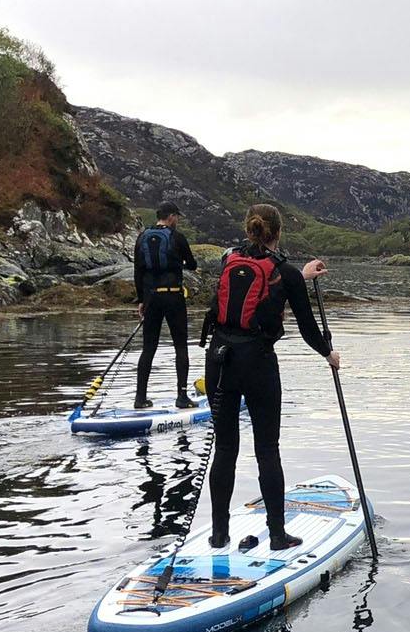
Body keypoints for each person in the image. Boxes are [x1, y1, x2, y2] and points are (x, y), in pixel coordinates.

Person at [198, 203, 341, 551]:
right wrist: (328, 354)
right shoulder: (286, 272)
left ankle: (219, 534)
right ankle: (277, 535)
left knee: (225, 449)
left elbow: (259, 282)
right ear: (279, 232)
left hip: (219, 359)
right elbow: (307, 328)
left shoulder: (229, 259)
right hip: (257, 363)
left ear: (249, 228)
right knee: (267, 450)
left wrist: (300, 275)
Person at [132, 201, 199, 409]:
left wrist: (141, 300)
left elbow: (138, 272)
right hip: (173, 297)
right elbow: (193, 264)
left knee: (148, 348)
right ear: (170, 217)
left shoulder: (142, 238)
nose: (177, 220)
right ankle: (182, 396)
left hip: (151, 298)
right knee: (180, 346)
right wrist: (181, 263)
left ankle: (140, 398)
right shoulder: (177, 238)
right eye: (176, 217)